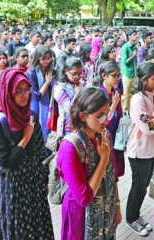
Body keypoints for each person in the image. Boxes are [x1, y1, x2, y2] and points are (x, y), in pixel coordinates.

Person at [0, 68, 54, 239]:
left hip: (32, 184)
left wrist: (43, 179)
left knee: (36, 228)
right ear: (8, 92)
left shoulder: (30, 116)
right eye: (18, 91)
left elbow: (40, 151)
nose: (24, 95)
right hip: (12, 188)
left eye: (27, 89)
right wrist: (25, 138)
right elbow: (5, 164)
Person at [57, 87, 121, 239]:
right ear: (82, 116)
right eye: (100, 116)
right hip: (80, 217)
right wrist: (104, 158)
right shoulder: (69, 147)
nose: (106, 120)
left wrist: (117, 207)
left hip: (106, 209)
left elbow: (112, 177)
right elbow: (84, 197)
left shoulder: (104, 135)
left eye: (107, 114)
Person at [125, 62, 154, 236]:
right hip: (139, 150)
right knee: (138, 186)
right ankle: (131, 218)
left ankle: (136, 215)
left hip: (152, 149)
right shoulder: (138, 99)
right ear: (143, 80)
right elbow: (149, 128)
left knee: (144, 185)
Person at [95, 61, 124, 177]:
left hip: (115, 133)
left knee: (114, 172)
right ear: (104, 76)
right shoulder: (98, 94)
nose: (117, 78)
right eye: (114, 75)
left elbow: (119, 115)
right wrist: (113, 106)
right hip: (103, 136)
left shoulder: (116, 92)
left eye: (118, 75)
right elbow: (100, 120)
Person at [27, 45, 56, 142]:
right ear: (37, 58)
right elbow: (37, 96)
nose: (46, 61)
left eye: (49, 58)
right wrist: (47, 82)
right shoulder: (32, 73)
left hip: (51, 107)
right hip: (37, 108)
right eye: (44, 58)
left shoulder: (51, 71)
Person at [51, 57, 84, 136]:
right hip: (67, 126)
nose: (77, 76)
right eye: (74, 74)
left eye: (80, 73)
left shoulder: (80, 84)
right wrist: (78, 93)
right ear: (66, 71)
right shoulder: (59, 88)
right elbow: (69, 109)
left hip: (81, 124)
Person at [120, 29, 138, 113]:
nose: (136, 36)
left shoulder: (134, 46)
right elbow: (125, 62)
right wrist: (133, 56)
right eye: (134, 34)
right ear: (129, 36)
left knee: (133, 92)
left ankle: (131, 108)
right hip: (127, 73)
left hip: (134, 73)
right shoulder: (125, 47)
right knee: (126, 93)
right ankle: (124, 110)